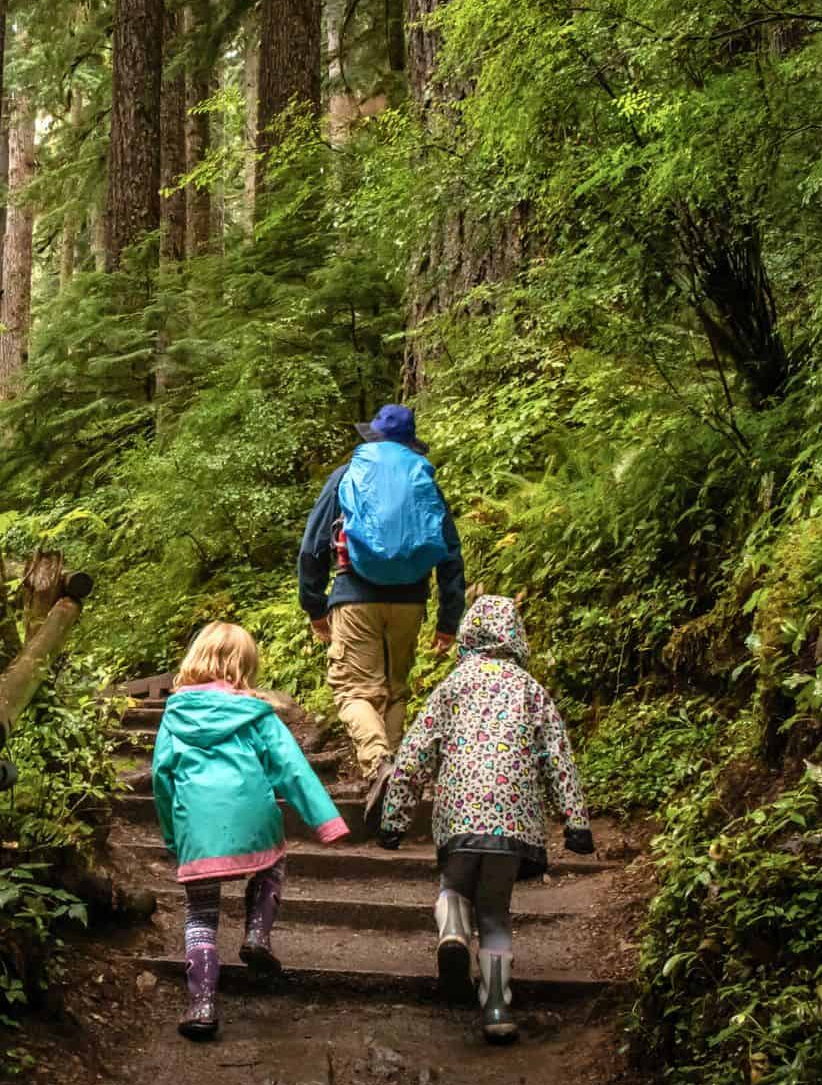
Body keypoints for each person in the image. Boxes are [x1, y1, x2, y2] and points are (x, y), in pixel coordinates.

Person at [374, 595, 594, 1044]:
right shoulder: (530, 690)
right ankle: (496, 1007)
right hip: (514, 824)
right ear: (516, 637)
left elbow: (416, 753)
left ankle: (453, 932)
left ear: (468, 635)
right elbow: (558, 757)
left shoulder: (452, 687)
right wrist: (577, 823)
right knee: (494, 912)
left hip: (459, 817)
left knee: (454, 888)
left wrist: (394, 819)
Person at [151, 622, 351, 1041]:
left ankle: (202, 1005)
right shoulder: (257, 714)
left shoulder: (174, 715)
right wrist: (325, 821)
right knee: (272, 864)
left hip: (197, 823)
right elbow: (291, 768)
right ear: (244, 666)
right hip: (252, 815)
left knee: (201, 914)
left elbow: (161, 778)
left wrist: (173, 835)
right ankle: (257, 935)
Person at [297, 404, 467, 821]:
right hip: (409, 602)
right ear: (410, 441)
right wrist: (449, 619)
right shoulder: (422, 477)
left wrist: (314, 604)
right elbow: (449, 553)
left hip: (355, 596)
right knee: (394, 689)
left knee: (354, 690)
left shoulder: (346, 475)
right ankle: (394, 783)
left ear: (372, 436)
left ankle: (378, 765)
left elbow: (313, 545)